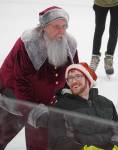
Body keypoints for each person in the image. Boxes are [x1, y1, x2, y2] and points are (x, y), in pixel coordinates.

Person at [0, 6, 79, 150]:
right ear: (44, 27)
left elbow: (73, 74)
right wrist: (32, 111)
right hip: (13, 97)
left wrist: (72, 97)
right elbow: (21, 82)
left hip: (47, 105)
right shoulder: (28, 44)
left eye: (64, 27)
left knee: (39, 145)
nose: (61, 32)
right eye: (56, 27)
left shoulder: (70, 44)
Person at [28, 62, 118, 150]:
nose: (73, 81)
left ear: (88, 79)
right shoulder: (61, 107)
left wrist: (116, 147)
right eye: (70, 78)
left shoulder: (106, 103)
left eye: (78, 76)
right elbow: (58, 141)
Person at [90, 0, 118, 75]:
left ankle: (109, 58)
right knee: (99, 30)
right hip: (100, 3)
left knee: (114, 30)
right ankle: (95, 57)